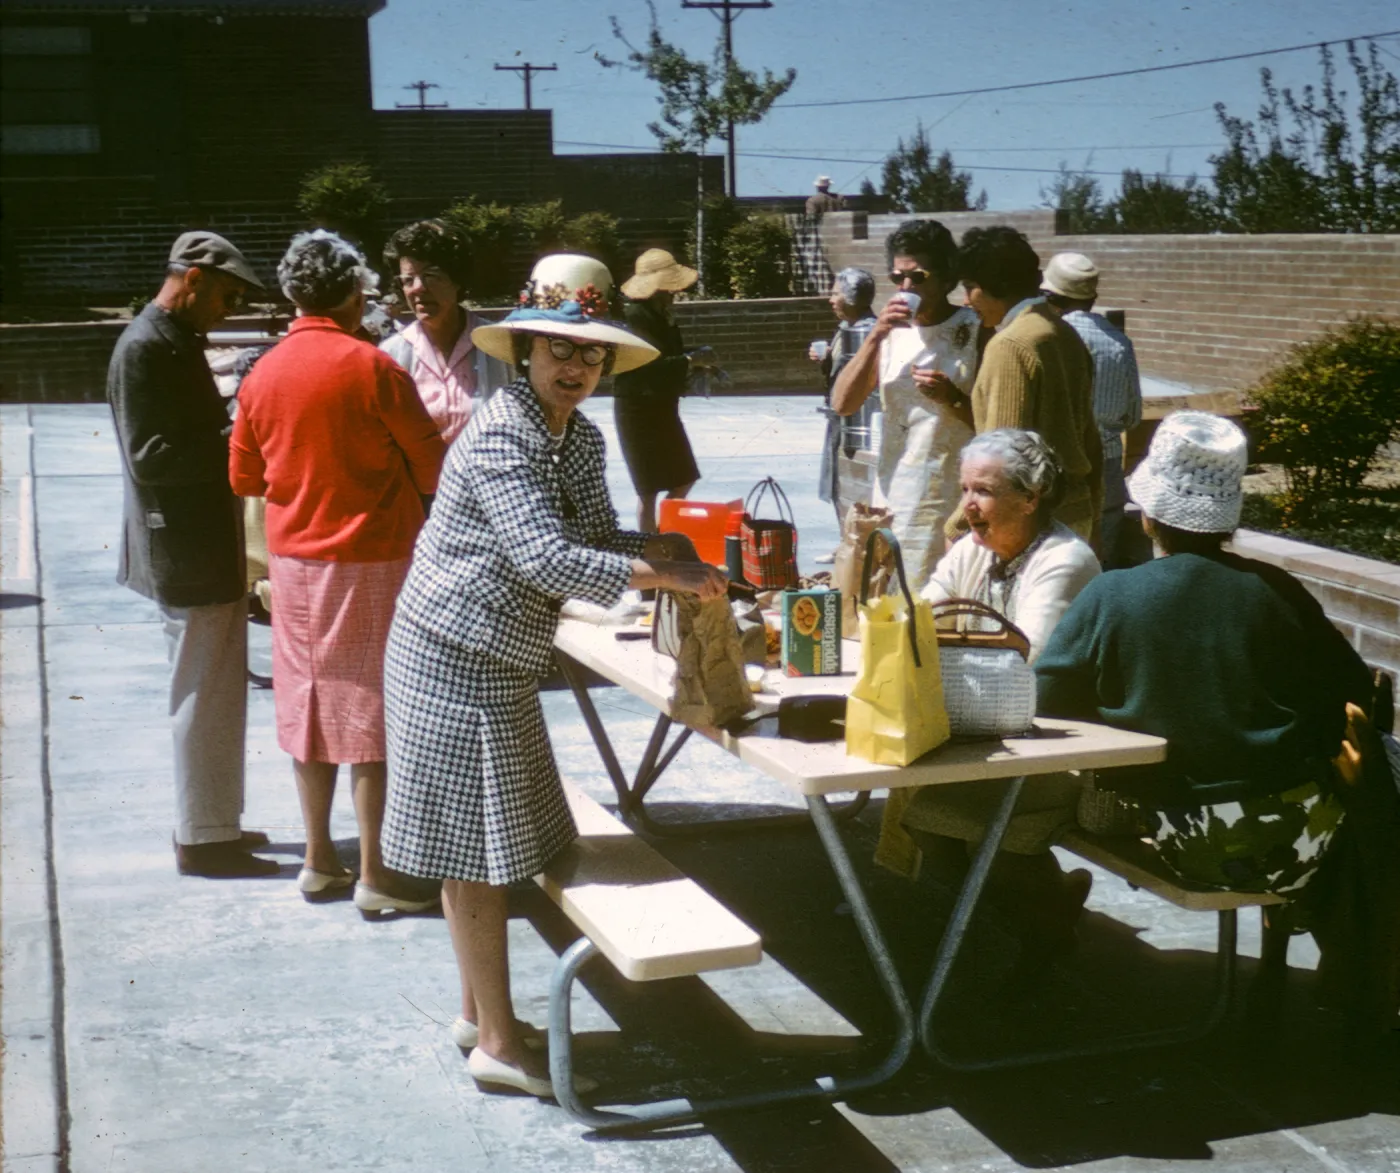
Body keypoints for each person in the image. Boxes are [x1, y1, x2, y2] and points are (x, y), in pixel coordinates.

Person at [380, 254, 727, 1099]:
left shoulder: (576, 432)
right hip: (451, 655)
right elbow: (544, 557)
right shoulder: (504, 429)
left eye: (592, 355)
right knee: (475, 852)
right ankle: (498, 1042)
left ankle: (479, 1015)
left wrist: (666, 546)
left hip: (498, 658)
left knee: (499, 844)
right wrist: (666, 576)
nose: (574, 368)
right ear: (526, 350)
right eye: (557, 350)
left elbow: (596, 533)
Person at [1036, 411, 1373, 897]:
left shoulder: (1112, 594)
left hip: (1176, 831)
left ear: (1148, 515)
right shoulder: (1275, 589)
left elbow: (1047, 702)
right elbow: (1352, 687)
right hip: (1302, 833)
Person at [229, 231, 446, 910]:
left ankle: (321, 857)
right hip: (376, 557)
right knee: (374, 713)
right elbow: (433, 464)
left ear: (294, 293)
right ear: (354, 293)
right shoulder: (376, 368)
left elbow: (243, 473)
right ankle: (378, 873)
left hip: (295, 565)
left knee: (310, 706)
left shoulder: (260, 373)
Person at [878, 430, 1102, 971]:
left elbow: (1025, 664)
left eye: (983, 491)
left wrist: (947, 644)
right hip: (986, 734)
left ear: (1031, 497)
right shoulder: (971, 553)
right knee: (929, 820)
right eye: (964, 490)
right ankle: (1037, 909)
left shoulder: (1064, 561)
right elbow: (916, 625)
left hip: (1059, 744)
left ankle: (1042, 930)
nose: (967, 507)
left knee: (962, 826)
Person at [107, 230, 277, 878]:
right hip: (186, 547)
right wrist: (233, 435)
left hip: (202, 544)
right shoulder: (147, 347)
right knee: (202, 693)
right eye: (227, 297)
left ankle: (212, 822)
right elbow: (149, 458)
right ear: (195, 279)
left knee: (214, 692)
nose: (227, 311)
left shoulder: (167, 341)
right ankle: (204, 836)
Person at [831, 219, 981, 586]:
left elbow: (1001, 420)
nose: (906, 287)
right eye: (898, 278)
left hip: (950, 491)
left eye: (919, 277)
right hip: (894, 487)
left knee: (935, 595)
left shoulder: (974, 329)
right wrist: (876, 335)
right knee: (890, 590)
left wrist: (954, 399)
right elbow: (843, 403)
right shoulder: (891, 334)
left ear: (947, 280)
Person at [956, 226, 1103, 547]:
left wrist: (958, 526)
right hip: (1075, 515)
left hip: (1027, 527)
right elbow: (1091, 437)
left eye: (970, 287)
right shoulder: (1062, 333)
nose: (966, 300)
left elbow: (999, 458)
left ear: (997, 284)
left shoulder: (1010, 344)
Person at [1041, 252, 1142, 567]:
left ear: (1049, 295)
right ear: (1093, 296)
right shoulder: (1119, 341)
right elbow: (1133, 416)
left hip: (1057, 465)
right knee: (1101, 561)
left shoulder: (1048, 338)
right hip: (1108, 466)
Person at [380, 219, 509, 446]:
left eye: (431, 276)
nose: (419, 288)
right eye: (408, 280)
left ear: (457, 280)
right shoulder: (391, 355)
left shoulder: (496, 344)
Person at [614, 248, 717, 532]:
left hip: (662, 406)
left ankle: (662, 536)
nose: (674, 292)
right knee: (648, 490)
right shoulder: (635, 314)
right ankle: (651, 548)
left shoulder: (661, 312)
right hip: (637, 408)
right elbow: (647, 362)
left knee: (684, 477)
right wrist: (688, 361)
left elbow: (668, 353)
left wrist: (694, 359)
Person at [811, 266, 878, 547]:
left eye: (836, 293)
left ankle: (853, 546)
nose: (830, 299)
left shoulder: (869, 331)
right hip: (840, 418)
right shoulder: (845, 328)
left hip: (858, 421)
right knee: (836, 481)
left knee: (854, 482)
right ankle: (845, 544)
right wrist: (826, 358)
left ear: (851, 298)